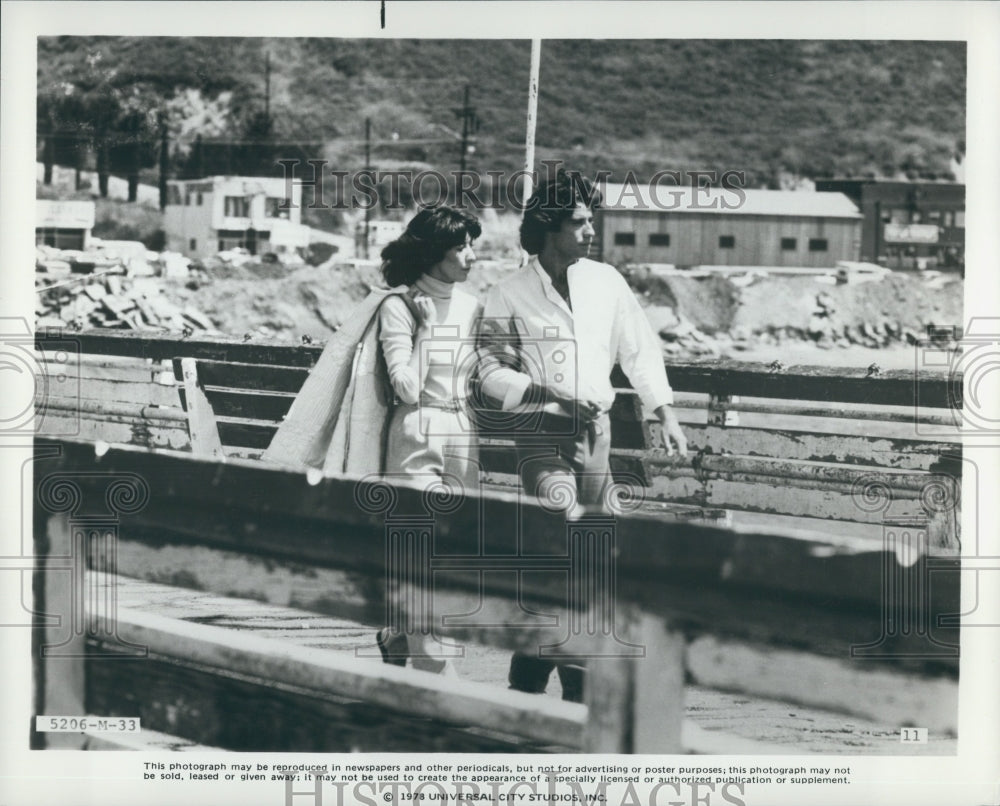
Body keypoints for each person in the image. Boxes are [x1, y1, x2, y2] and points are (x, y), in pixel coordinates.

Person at [476, 168, 687, 701]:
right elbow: (490, 372)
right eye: (579, 222)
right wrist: (551, 392)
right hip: (540, 435)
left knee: (590, 554)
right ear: (549, 228)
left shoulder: (606, 281)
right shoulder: (508, 293)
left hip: (598, 436)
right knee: (562, 539)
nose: (591, 231)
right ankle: (577, 682)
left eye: (592, 221)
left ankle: (531, 674)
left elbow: (638, 349)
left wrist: (665, 413)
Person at [373, 205, 483, 675]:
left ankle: (399, 635)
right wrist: (427, 331)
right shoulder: (398, 306)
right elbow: (407, 387)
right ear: (435, 252)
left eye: (471, 245)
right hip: (417, 432)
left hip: (463, 434)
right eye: (460, 247)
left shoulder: (475, 306)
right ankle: (438, 673)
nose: (471, 256)